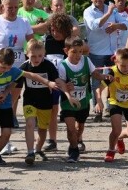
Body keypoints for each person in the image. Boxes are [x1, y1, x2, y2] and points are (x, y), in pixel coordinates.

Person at [0, 48, 58, 165]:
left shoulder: (12, 71)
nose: (5, 71)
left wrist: (48, 83)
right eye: (2, 67)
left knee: (6, 132)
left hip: (5, 105)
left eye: (8, 68)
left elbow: (31, 75)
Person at [0, 0, 34, 152]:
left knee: (10, 105)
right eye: (9, 7)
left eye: (15, 7)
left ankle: (5, 141)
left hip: (17, 69)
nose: (12, 10)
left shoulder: (24, 22)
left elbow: (31, 42)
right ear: (2, 7)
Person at [56, 37, 108, 162]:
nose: (78, 55)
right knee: (70, 128)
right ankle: (74, 150)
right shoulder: (62, 66)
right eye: (74, 52)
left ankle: (78, 140)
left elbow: (94, 73)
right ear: (66, 51)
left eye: (80, 51)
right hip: (68, 102)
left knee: (80, 126)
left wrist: (103, 76)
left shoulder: (86, 60)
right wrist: (67, 87)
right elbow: (61, 82)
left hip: (84, 100)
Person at [83, 0, 127, 122]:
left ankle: (111, 108)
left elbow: (127, 23)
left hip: (112, 52)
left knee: (112, 81)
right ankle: (97, 110)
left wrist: (116, 26)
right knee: (96, 82)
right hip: (96, 52)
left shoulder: (113, 10)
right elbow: (94, 26)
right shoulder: (88, 11)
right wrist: (108, 14)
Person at [19, 40, 60, 165]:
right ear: (27, 54)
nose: (36, 59)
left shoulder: (49, 66)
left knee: (42, 129)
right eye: (33, 56)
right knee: (30, 123)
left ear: (44, 54)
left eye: (40, 56)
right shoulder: (24, 66)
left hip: (45, 102)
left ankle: (38, 149)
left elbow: (57, 80)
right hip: (29, 100)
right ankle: (30, 152)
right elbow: (15, 85)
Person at [43, 12, 74, 152]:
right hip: (54, 82)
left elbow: (82, 53)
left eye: (58, 30)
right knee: (53, 111)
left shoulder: (70, 41)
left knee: (71, 112)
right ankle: (52, 140)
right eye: (52, 29)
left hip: (68, 81)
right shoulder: (48, 40)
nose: (55, 33)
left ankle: (76, 140)